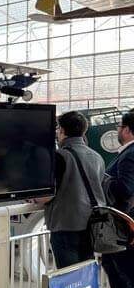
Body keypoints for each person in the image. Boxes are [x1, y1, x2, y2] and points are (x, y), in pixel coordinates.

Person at [42, 111, 106, 269]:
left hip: (66, 226)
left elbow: (48, 195)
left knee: (69, 278)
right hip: (93, 225)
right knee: (85, 277)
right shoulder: (97, 157)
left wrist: (35, 199)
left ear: (62, 131)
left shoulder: (60, 156)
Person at [104, 111, 134, 288]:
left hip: (124, 223)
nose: (117, 130)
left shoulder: (130, 154)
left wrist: (104, 180)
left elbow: (126, 188)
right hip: (123, 223)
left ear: (127, 129)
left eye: (119, 126)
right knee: (115, 266)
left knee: (127, 269)